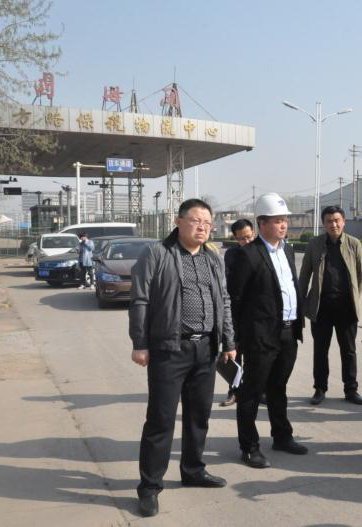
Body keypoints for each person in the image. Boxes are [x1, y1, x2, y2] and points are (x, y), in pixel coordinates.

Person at [129, 199, 236, 518]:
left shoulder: (213, 258)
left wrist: (229, 341)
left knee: (198, 416)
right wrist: (140, 343)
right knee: (160, 420)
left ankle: (193, 470)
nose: (202, 227)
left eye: (208, 222)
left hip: (206, 350)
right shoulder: (157, 254)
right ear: (178, 221)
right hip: (169, 349)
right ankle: (150, 486)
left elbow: (224, 300)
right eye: (196, 220)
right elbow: (140, 299)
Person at [231, 193, 308, 470]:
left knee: (278, 388)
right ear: (262, 223)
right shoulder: (247, 254)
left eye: (285, 220)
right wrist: (236, 339)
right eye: (277, 221)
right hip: (260, 337)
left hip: (288, 333)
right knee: (251, 393)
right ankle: (249, 447)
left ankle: (282, 436)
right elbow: (236, 299)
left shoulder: (287, 250)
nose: (283, 225)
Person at [299, 205, 362, 406]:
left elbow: (361, 275)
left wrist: (353, 297)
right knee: (320, 350)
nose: (333, 224)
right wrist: (301, 304)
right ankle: (320, 389)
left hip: (346, 308)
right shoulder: (314, 244)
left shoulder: (354, 244)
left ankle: (351, 389)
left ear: (343, 222)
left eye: (337, 220)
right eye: (329, 221)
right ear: (323, 224)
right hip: (321, 307)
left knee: (349, 350)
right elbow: (304, 275)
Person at [219, 218, 256, 407]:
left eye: (249, 237)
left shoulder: (262, 251)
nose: (246, 241)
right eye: (242, 239)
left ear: (254, 233)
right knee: (235, 353)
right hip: (235, 313)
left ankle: (255, 391)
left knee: (255, 356)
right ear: (235, 238)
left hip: (257, 314)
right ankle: (234, 391)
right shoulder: (231, 255)